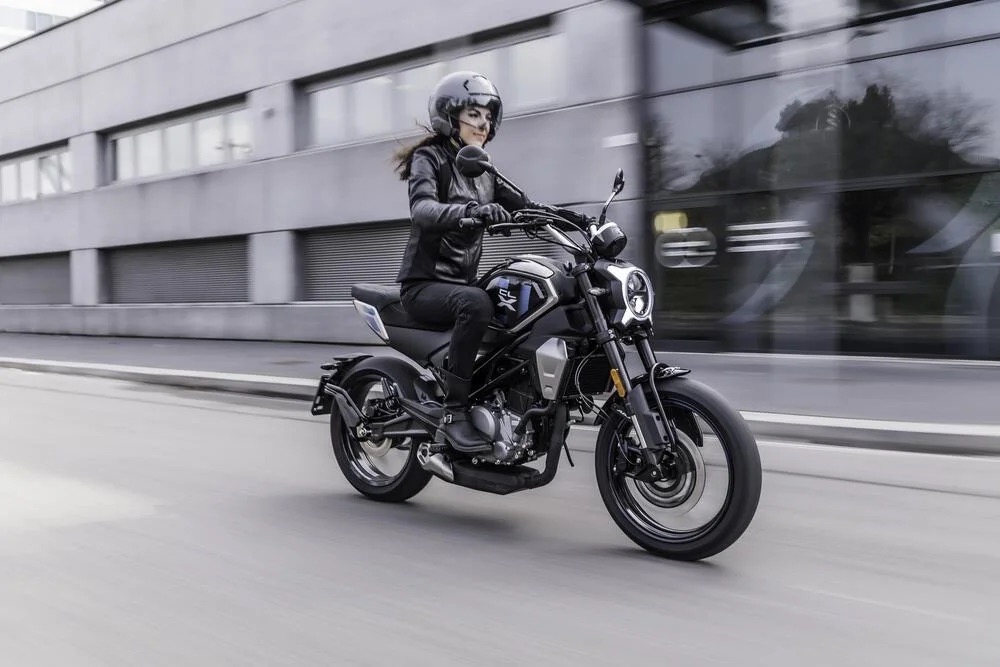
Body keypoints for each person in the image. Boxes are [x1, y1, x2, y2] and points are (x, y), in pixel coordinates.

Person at [392, 71, 530, 454]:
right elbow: (422, 209)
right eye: (473, 114)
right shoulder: (430, 158)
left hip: (460, 285)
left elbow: (524, 205)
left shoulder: (482, 168)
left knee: (516, 297)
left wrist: (577, 220)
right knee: (478, 303)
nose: (483, 124)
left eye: (488, 116)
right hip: (424, 285)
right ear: (449, 117)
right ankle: (454, 412)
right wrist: (471, 211)